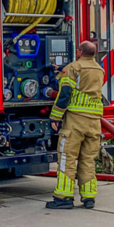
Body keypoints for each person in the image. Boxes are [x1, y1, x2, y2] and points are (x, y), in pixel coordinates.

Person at [46, 41, 105, 209]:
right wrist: (61, 71)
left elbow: (65, 93)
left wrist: (55, 117)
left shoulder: (73, 67)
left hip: (75, 121)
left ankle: (63, 198)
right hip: (94, 122)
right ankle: (88, 197)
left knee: (67, 157)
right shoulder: (99, 69)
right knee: (88, 159)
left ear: (79, 52)